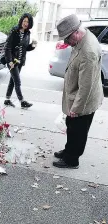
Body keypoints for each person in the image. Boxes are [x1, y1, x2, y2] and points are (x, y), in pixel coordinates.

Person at [53, 14, 104, 169]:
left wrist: (76, 108)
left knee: (78, 131)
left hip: (84, 100)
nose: (66, 43)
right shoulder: (82, 39)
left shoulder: (88, 52)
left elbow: (86, 86)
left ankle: (72, 159)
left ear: (76, 32)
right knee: (71, 125)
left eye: (67, 39)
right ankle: (69, 151)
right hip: (77, 95)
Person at [4, 13, 37, 109]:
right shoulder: (14, 31)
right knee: (17, 82)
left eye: (28, 21)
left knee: (12, 81)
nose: (26, 23)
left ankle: (7, 99)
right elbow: (8, 47)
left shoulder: (27, 33)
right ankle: (22, 101)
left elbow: (25, 48)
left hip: (20, 62)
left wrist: (33, 46)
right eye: (24, 21)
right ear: (21, 21)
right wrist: (9, 61)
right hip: (12, 61)